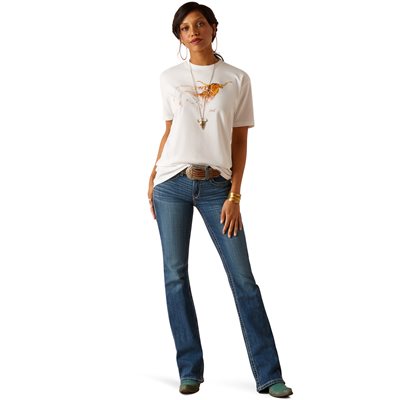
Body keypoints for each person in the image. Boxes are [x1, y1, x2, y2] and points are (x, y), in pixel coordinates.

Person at [147, 2, 293, 397]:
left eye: (199, 24)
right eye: (184, 28)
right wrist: (153, 174)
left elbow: (239, 141)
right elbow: (170, 130)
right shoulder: (168, 78)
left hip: (217, 187)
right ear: (179, 37)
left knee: (243, 279)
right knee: (175, 275)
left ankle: (269, 375)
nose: (192, 32)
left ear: (213, 27)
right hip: (171, 183)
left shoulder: (237, 78)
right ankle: (189, 370)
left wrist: (235, 194)